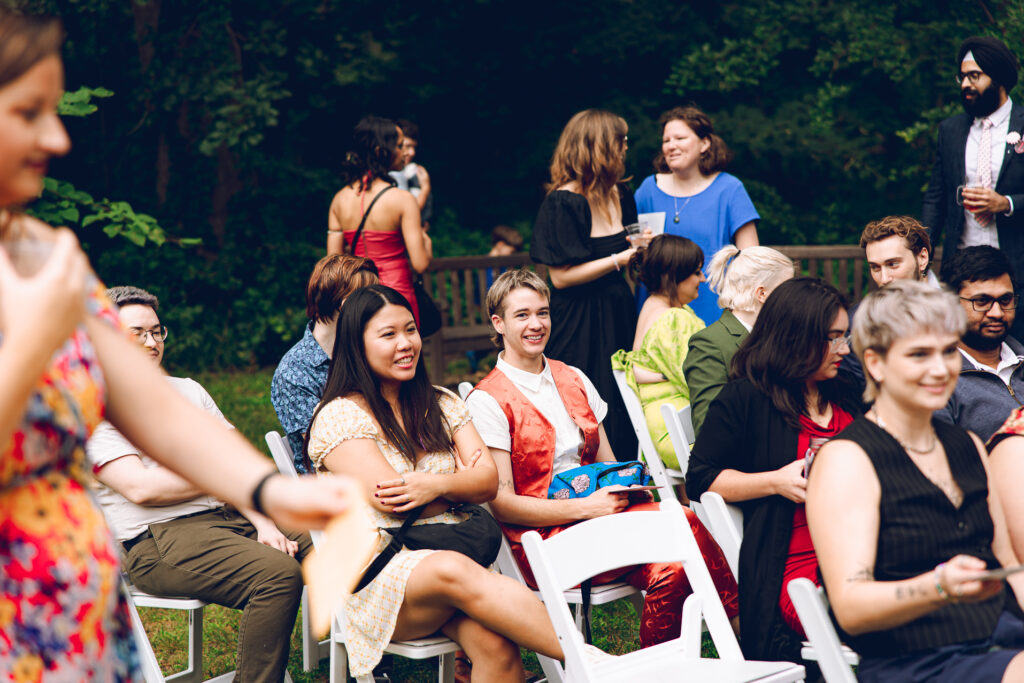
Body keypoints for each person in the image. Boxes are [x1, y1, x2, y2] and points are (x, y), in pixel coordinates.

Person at [0, 10, 354, 678]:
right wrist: (31, 341)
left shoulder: (49, 257)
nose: (56, 136)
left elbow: (156, 412)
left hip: (75, 593)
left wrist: (266, 490)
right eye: (28, 112)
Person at [466, 269, 739, 647]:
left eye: (543, 313)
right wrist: (587, 509)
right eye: (522, 315)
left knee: (674, 570)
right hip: (544, 541)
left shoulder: (573, 376)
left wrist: (625, 490)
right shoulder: (486, 400)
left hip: (601, 518)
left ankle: (658, 674)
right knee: (683, 516)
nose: (536, 324)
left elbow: (610, 464)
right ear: (498, 323)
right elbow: (504, 505)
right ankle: (747, 633)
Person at [305, 284, 563, 680]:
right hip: (381, 574)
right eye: (388, 334)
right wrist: (456, 480)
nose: (405, 343)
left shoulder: (440, 402)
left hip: (453, 565)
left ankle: (590, 663)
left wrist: (437, 486)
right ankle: (596, 665)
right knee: (451, 569)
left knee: (497, 648)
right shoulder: (340, 417)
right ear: (357, 345)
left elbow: (488, 483)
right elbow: (395, 500)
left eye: (410, 330)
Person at [87, 286, 313, 683]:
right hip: (156, 541)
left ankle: (366, 654)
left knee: (325, 534)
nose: (151, 342)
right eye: (137, 333)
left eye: (157, 332)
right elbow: (143, 489)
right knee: (278, 574)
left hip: (227, 516)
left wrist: (263, 522)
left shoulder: (188, 390)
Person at [807, 280, 1024, 682]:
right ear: (875, 363)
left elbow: (1010, 564)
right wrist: (938, 585)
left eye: (946, 352)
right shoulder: (847, 460)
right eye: (919, 355)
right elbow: (851, 608)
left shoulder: (968, 446)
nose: (940, 369)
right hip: (916, 661)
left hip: (1003, 638)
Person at [686, 277, 863, 662]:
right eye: (833, 337)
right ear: (796, 336)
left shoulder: (847, 389)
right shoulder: (747, 398)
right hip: (799, 567)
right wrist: (776, 482)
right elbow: (700, 477)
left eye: (844, 336)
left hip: (870, 547)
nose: (844, 349)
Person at [529, 109, 648, 461]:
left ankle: (627, 475)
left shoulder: (620, 194)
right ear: (600, 148)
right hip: (578, 317)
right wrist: (619, 260)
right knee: (584, 398)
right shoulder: (563, 203)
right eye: (620, 141)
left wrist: (640, 253)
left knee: (620, 395)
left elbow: (628, 251)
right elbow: (560, 277)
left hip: (617, 308)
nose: (627, 147)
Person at [921, 36, 1024, 307]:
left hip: (1017, 267)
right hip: (962, 272)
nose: (966, 84)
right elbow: (936, 198)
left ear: (999, 77)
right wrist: (921, 252)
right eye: (963, 77)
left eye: (974, 76)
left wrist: (1008, 203)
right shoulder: (951, 130)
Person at [634, 105, 760, 325]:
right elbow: (635, 251)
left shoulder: (729, 189)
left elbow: (752, 258)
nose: (671, 146)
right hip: (659, 316)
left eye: (680, 138)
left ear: (704, 143)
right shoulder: (648, 190)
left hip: (715, 309)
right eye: (666, 140)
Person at [272, 253, 378, 472]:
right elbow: (330, 447)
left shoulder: (370, 347)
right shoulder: (295, 371)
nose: (378, 305)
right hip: (333, 484)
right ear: (340, 301)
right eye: (368, 297)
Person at [610, 234, 705, 469]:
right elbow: (696, 379)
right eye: (696, 272)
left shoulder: (650, 306)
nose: (702, 279)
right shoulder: (672, 319)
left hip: (665, 428)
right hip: (680, 435)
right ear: (674, 276)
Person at [327, 115, 431, 324]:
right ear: (380, 152)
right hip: (397, 295)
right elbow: (420, 264)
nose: (405, 153)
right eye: (400, 146)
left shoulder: (339, 199)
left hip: (358, 298)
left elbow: (334, 266)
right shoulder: (403, 199)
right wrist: (425, 239)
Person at [683, 245, 794, 436]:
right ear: (762, 294)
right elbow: (709, 428)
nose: (794, 299)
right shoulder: (709, 344)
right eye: (787, 290)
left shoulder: (780, 337)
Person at [840, 215, 940, 391]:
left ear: (922, 258)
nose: (884, 279)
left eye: (893, 264)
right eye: (875, 268)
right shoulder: (856, 324)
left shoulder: (963, 307)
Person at [936, 246, 1024, 442]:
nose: (997, 313)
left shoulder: (1021, 359)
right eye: (982, 301)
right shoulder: (938, 379)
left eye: (1005, 300)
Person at [389, 118, 433, 226]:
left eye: (414, 147)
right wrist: (425, 189)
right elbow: (408, 214)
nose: (412, 153)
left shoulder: (407, 170)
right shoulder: (393, 173)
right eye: (407, 146)